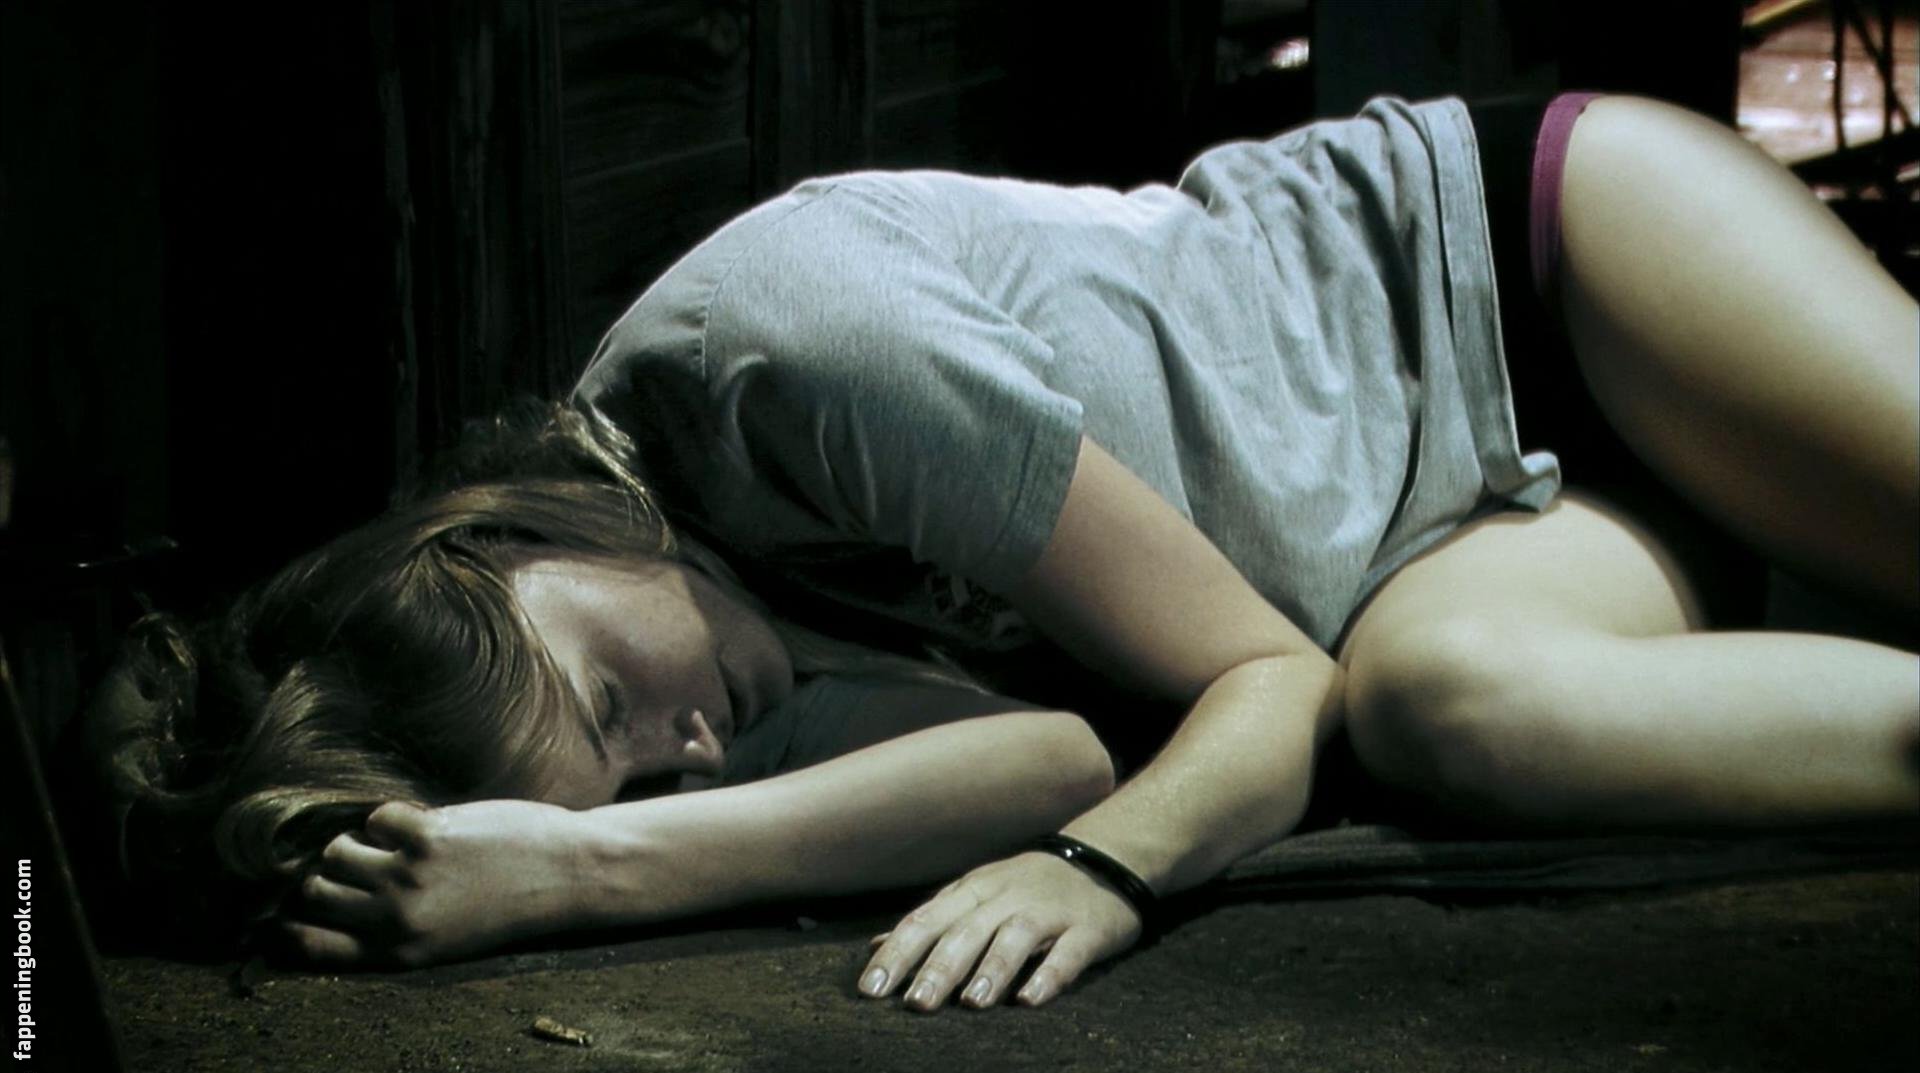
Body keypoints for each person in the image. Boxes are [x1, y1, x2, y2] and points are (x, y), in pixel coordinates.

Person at [90, 92, 1917, 1013]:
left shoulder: (793, 359)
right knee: (1444, 711)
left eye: (610, 699)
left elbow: (1255, 682)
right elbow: (1049, 759)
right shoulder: (704, 666)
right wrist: (587, 858)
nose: (693, 745)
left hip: (1524, 273)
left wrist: (1109, 877)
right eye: (637, 775)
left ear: (505, 540)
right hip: (1436, 552)